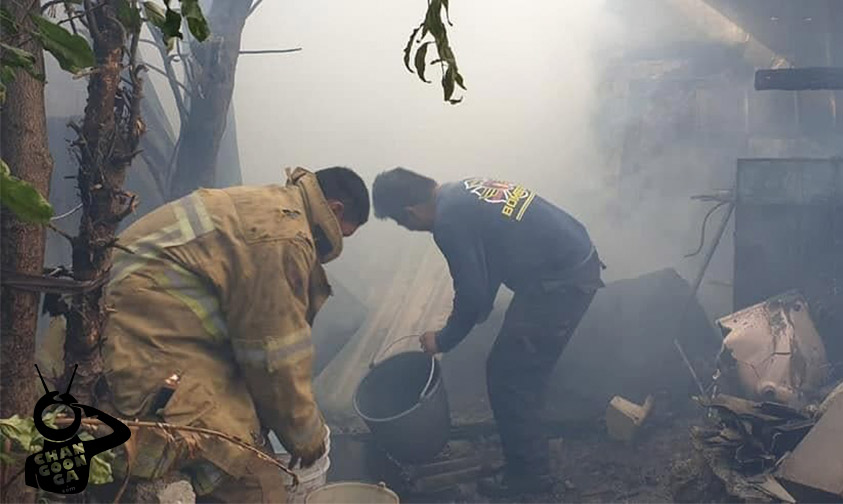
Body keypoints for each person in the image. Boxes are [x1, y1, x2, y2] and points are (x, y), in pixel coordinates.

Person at [98, 167, 369, 502]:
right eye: (344, 235)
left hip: (124, 333)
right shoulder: (284, 235)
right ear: (336, 209)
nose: (333, 248)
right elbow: (276, 356)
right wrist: (307, 436)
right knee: (260, 484)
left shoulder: (264, 205)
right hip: (145, 355)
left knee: (246, 421)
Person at [372, 168, 604, 497]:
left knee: (510, 376)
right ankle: (524, 459)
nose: (407, 228)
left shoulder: (448, 222)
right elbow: (491, 255)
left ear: (409, 212)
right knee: (516, 369)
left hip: (561, 283)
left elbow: (471, 293)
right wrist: (479, 309)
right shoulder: (462, 190)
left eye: (400, 222)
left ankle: (531, 479)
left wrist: (443, 338)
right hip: (574, 259)